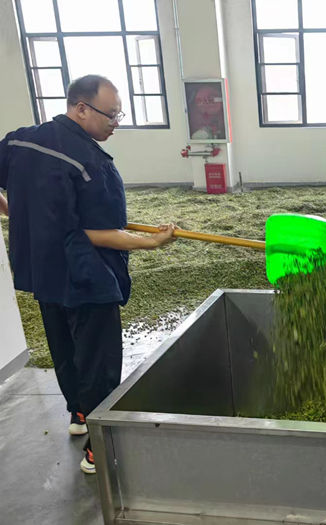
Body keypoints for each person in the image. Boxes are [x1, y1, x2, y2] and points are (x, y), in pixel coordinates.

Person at [0, 75, 177, 474]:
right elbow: (99, 233)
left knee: (63, 349)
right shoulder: (90, 163)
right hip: (85, 276)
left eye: (119, 115)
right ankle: (99, 447)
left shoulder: (20, 141)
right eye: (111, 115)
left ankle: (79, 414)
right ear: (81, 108)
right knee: (98, 361)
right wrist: (151, 242)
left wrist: (15, 211)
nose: (116, 123)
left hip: (43, 272)